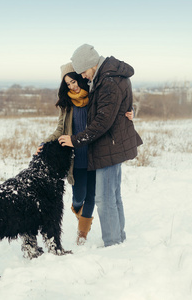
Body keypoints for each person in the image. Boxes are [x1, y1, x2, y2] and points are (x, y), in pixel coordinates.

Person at [39, 62, 133, 245]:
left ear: (81, 79)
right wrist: (46, 143)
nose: (73, 86)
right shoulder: (66, 105)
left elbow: (111, 110)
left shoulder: (93, 96)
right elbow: (60, 129)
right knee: (78, 197)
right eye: (68, 84)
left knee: (91, 196)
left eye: (74, 81)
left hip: (94, 155)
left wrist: (131, 112)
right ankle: (80, 213)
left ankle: (82, 233)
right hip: (75, 159)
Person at [59, 44, 143, 247]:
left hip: (108, 146)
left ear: (92, 64)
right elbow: (117, 106)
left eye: (84, 72)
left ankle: (113, 243)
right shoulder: (110, 76)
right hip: (112, 144)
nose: (83, 77)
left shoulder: (108, 81)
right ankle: (119, 239)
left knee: (104, 200)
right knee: (114, 196)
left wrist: (75, 140)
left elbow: (102, 122)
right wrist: (128, 110)